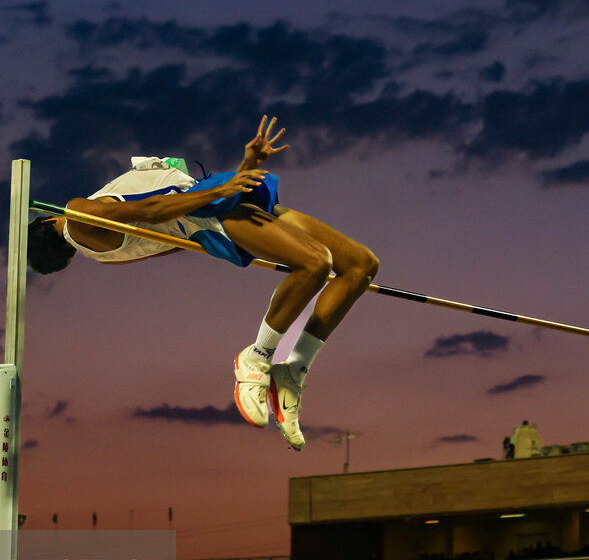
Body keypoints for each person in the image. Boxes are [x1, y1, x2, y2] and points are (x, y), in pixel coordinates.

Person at [26, 117, 379, 450]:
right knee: (316, 264)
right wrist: (221, 192)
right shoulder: (78, 215)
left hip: (218, 207)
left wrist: (242, 173)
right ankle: (255, 359)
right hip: (215, 214)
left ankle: (292, 371)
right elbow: (151, 208)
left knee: (360, 265)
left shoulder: (103, 255)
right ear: (45, 222)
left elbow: (173, 236)